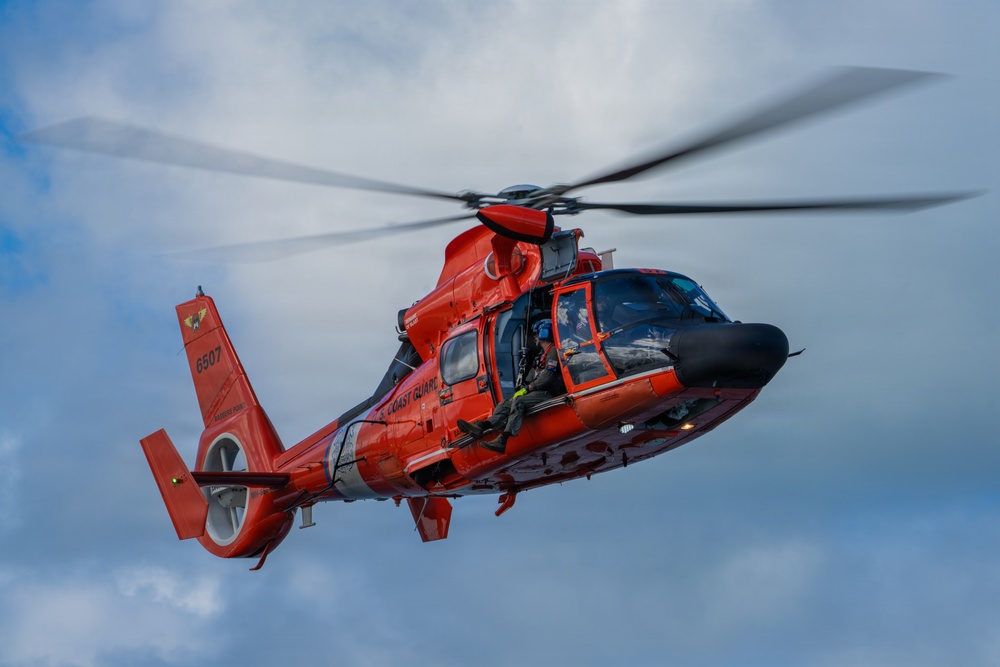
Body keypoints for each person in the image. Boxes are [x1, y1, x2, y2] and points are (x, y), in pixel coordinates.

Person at [457, 319, 565, 454]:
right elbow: (532, 376)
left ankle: (503, 439)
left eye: (536, 334)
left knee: (519, 402)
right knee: (505, 404)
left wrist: (529, 388)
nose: (535, 338)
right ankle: (481, 426)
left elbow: (548, 376)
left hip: (549, 393)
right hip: (538, 392)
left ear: (543, 333)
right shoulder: (540, 356)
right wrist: (523, 387)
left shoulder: (553, 352)